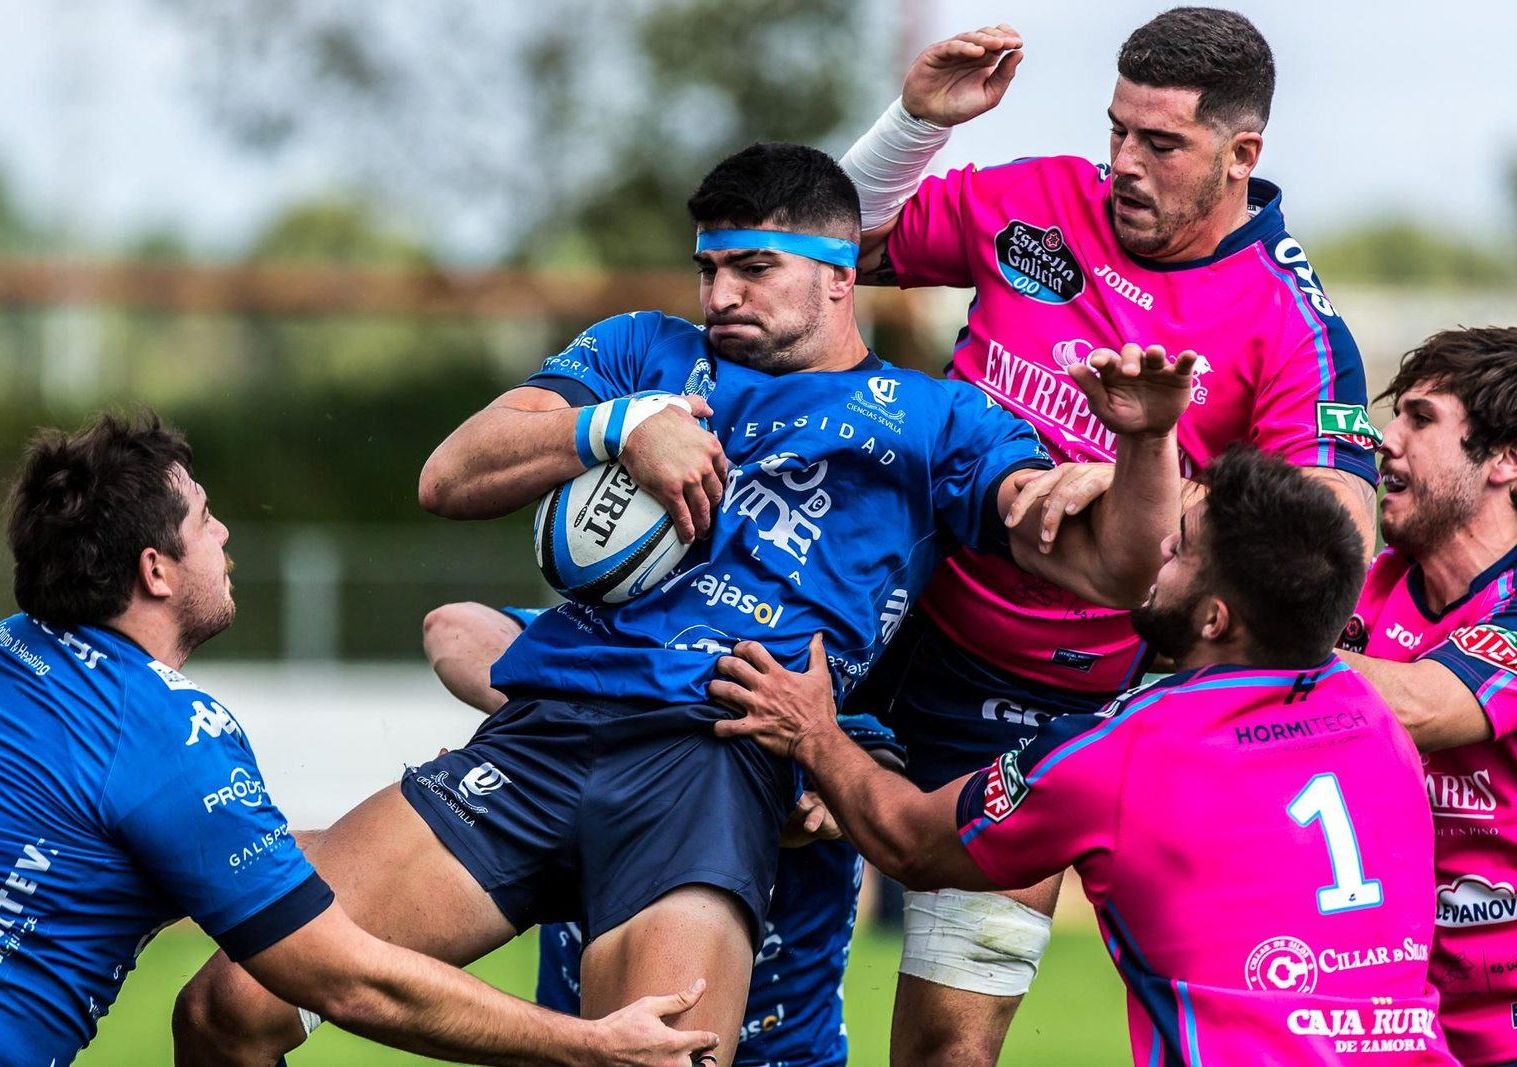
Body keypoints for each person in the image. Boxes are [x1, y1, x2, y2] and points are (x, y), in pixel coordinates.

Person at [172, 141, 1196, 1067]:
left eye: (754, 269)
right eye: (709, 268)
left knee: (660, 1056)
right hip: (542, 735)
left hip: (710, 758)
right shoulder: (640, 352)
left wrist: (1145, 443)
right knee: (228, 1007)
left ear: (840, 276)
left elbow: (1116, 569)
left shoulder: (937, 422)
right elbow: (450, 475)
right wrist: (618, 428)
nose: (722, 294)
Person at [833, 9, 1381, 1062]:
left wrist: (1149, 479)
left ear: (1241, 153)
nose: (1122, 163)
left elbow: (1334, 539)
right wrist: (911, 124)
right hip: (868, 608)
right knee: (751, 933)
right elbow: (820, 251)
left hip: (1037, 698)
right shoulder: (1037, 199)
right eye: (1116, 130)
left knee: (945, 1047)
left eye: (1159, 144)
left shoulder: (1288, 322)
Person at [0, 412, 718, 1067]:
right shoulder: (166, 734)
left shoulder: (9, 650)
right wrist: (590, 1043)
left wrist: (441, 823)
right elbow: (349, 981)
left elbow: (150, 851)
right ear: (155, 570)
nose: (226, 531)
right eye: (204, 518)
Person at [711, 446, 1456, 1066]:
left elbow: (910, 840)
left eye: (1184, 546)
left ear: (1215, 617)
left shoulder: (1126, 746)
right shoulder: (1377, 717)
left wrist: (813, 732)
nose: (1163, 546)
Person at [422, 601, 907, 1067]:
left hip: (781, 1048)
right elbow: (450, 627)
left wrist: (825, 794)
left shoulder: (809, 707)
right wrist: (542, 716)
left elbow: (886, 779)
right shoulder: (611, 644)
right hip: (579, 1036)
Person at [1324, 328, 1517, 1066]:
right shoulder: (1364, 588)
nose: (1384, 438)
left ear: (1505, 457)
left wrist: (1258, 634)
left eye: (1420, 417)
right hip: (1380, 1014)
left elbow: (1419, 705)